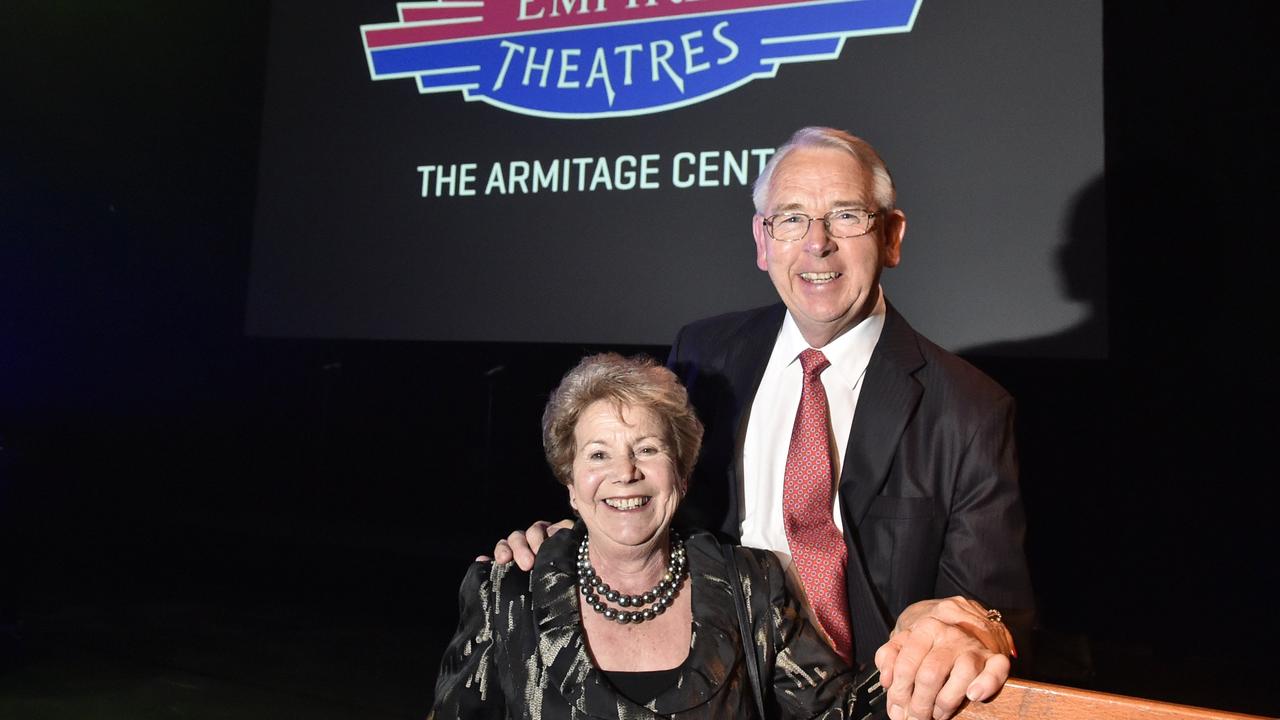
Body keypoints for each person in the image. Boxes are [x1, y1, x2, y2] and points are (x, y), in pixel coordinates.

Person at [493, 127, 1033, 720]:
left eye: (846, 216)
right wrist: (571, 543)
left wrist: (973, 630)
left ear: (893, 236)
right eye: (792, 219)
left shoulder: (969, 408)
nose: (817, 245)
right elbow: (653, 500)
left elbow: (990, 611)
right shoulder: (704, 356)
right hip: (710, 697)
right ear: (762, 240)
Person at [432, 353, 878, 719]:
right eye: (599, 454)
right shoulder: (508, 592)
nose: (625, 473)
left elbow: (840, 713)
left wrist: (935, 641)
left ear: (681, 476)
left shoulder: (751, 584)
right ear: (571, 484)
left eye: (647, 449)